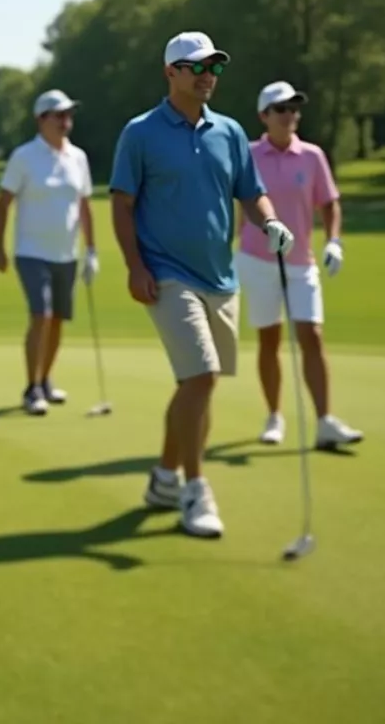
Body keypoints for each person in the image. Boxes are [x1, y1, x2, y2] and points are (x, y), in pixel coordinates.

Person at [109, 31, 294, 539]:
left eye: (213, 66)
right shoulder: (141, 132)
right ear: (171, 72)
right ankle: (195, 491)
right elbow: (122, 204)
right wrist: (134, 266)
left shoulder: (230, 131)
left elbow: (251, 193)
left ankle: (165, 478)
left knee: (197, 386)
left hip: (221, 276)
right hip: (166, 274)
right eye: (197, 67)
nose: (208, 74)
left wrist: (270, 222)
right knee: (202, 378)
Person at [235, 80, 364, 450]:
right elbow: (237, 202)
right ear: (264, 116)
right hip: (257, 260)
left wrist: (334, 241)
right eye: (281, 109)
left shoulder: (312, 156)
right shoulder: (247, 155)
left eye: (294, 108)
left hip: (300, 261)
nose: (290, 115)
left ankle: (324, 421)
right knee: (269, 339)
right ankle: (274, 416)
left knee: (312, 336)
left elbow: (330, 203)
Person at [0, 89, 99, 415]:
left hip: (67, 253)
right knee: (41, 314)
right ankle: (32, 388)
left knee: (57, 321)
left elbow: (83, 205)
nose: (66, 121)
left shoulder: (78, 157)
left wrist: (92, 250)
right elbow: (3, 203)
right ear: (41, 120)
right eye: (59, 115)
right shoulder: (24, 156)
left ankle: (46, 379)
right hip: (31, 251)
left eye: (69, 115)